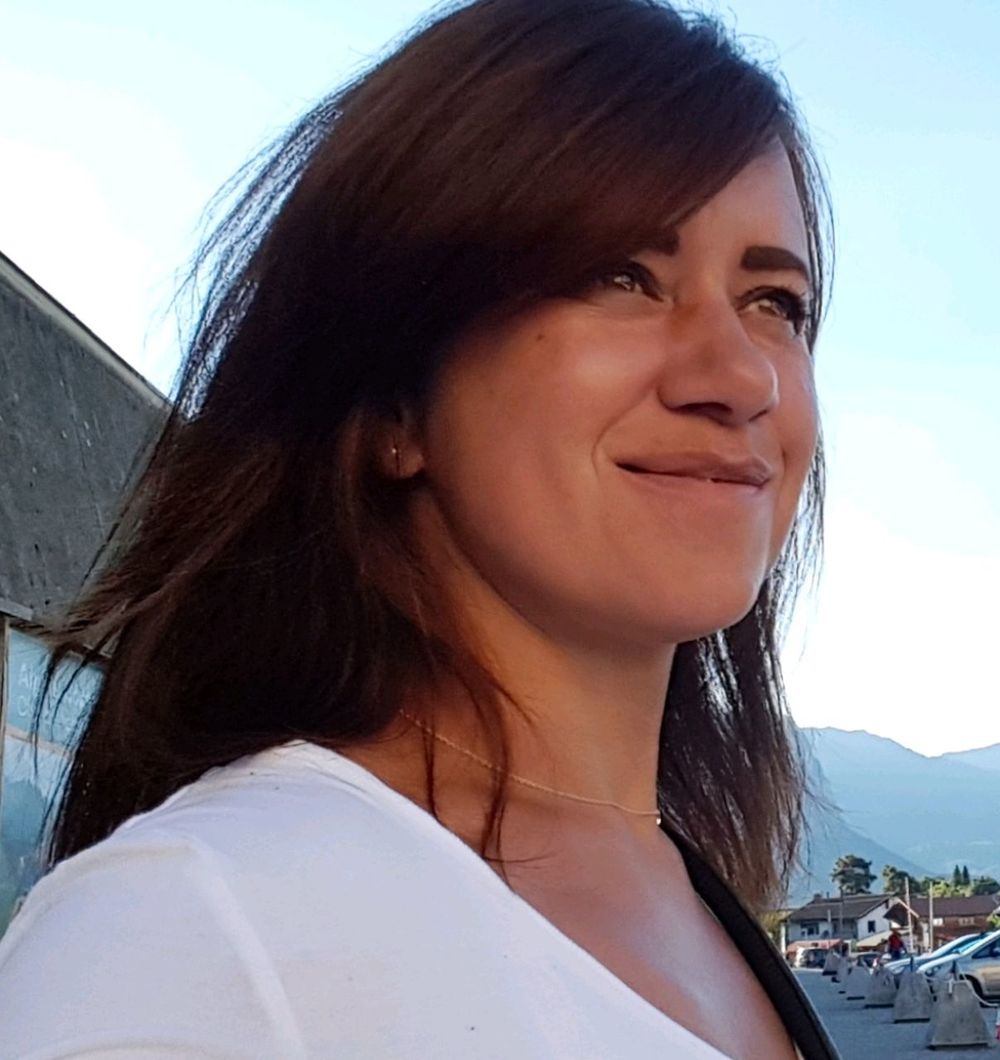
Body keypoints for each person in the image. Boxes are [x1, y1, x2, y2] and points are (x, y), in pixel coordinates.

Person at [0, 0, 837, 1056]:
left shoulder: (689, 884)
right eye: (620, 277)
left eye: (776, 301)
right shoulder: (200, 930)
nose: (739, 376)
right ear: (394, 403)